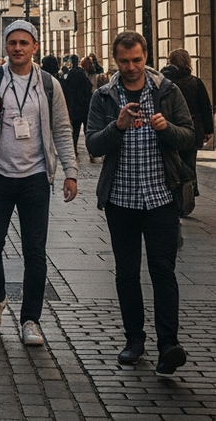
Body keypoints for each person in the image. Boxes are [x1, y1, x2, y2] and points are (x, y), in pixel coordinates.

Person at [86, 31, 196, 376]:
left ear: (146, 56)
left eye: (137, 60)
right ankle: (134, 340)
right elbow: (93, 144)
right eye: (124, 61)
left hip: (161, 197)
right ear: (114, 60)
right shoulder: (104, 96)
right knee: (127, 272)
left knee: (163, 271)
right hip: (121, 199)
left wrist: (167, 129)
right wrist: (117, 127)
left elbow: (189, 135)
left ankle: (169, 345)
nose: (131, 67)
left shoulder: (167, 91)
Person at [0, 20, 78, 347]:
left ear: (35, 46)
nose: (18, 48)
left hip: (34, 178)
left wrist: (70, 170)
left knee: (35, 251)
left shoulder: (48, 83)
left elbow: (62, 128)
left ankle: (30, 319)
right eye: (12, 42)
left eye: (24, 42)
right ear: (6, 46)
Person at [160, 49, 213, 194]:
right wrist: (208, 130)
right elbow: (205, 107)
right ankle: (188, 192)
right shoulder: (195, 82)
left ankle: (172, 189)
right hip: (192, 129)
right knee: (189, 162)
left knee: (170, 161)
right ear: (188, 62)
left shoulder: (163, 82)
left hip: (168, 129)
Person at [62, 54, 93, 154]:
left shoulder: (70, 74)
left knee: (75, 130)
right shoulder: (81, 73)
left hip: (75, 106)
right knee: (86, 129)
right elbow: (88, 87)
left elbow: (66, 90)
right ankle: (90, 150)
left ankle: (74, 149)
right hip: (84, 105)